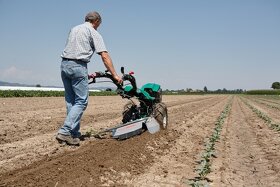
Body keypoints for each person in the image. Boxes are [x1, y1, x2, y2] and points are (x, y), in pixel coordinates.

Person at [56, 11, 122, 145]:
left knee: (71, 102)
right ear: (96, 21)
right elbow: (104, 55)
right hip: (78, 65)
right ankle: (64, 131)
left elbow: (74, 50)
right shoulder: (93, 32)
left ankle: (73, 134)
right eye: (99, 25)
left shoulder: (74, 29)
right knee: (81, 102)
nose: (98, 27)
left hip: (64, 65)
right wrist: (115, 75)